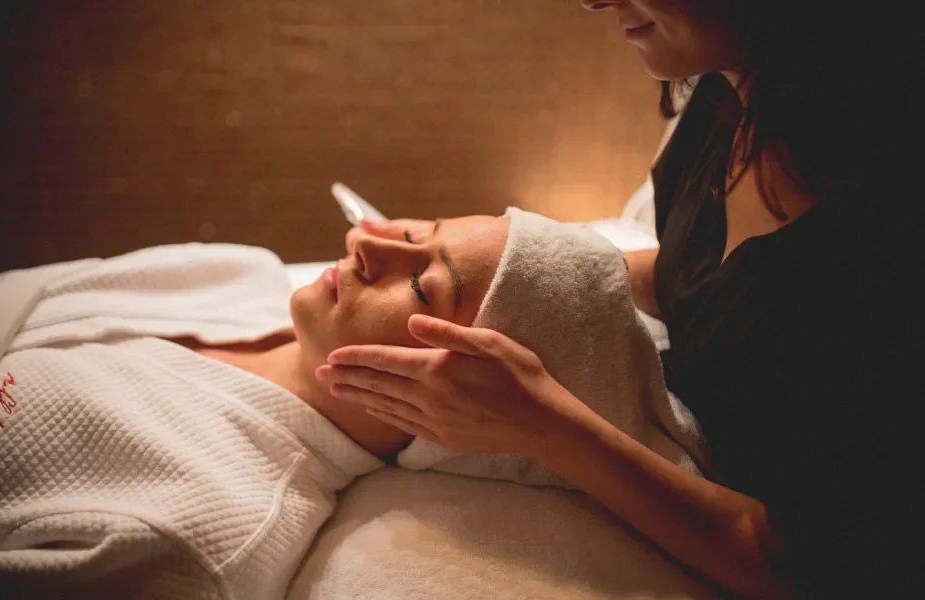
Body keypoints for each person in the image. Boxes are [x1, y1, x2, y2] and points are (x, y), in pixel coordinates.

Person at [316, 2, 922, 598]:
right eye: (422, 237)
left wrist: (544, 425)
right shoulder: (729, 94)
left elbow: (817, 565)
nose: (592, 0)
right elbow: (714, 281)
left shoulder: (884, 234)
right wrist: (514, 262)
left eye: (425, 287)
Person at [0, 210, 692, 599]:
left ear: (460, 404)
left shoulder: (207, 532)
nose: (365, 243)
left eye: (426, 286)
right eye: (412, 230)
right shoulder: (231, 274)